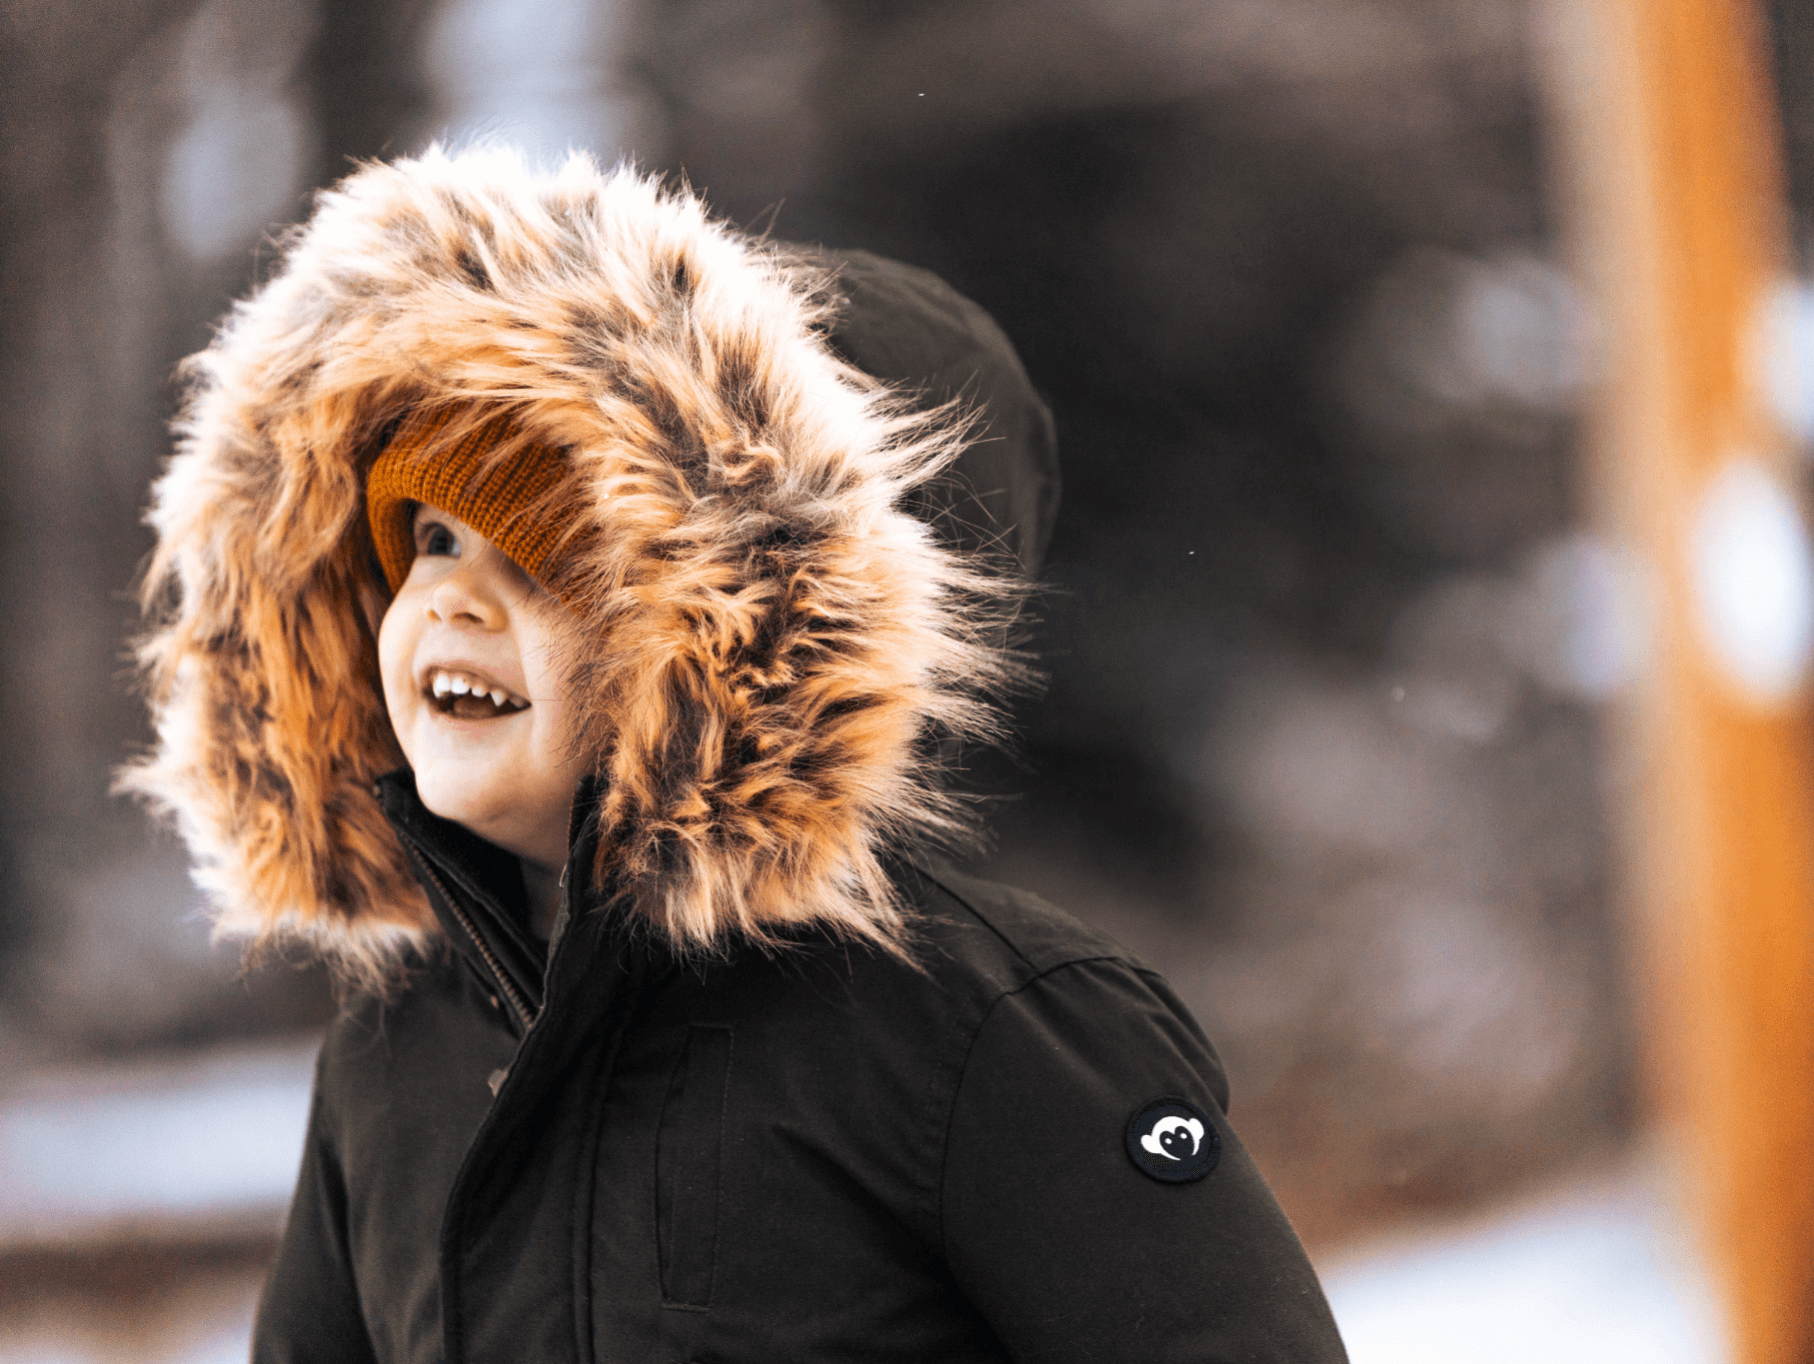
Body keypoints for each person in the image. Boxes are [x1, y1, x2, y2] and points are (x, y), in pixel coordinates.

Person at [124, 144, 1348, 1364]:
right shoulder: (394, 1059)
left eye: (545, 553)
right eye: (431, 538)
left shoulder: (975, 1027)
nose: (450, 600)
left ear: (732, 636)